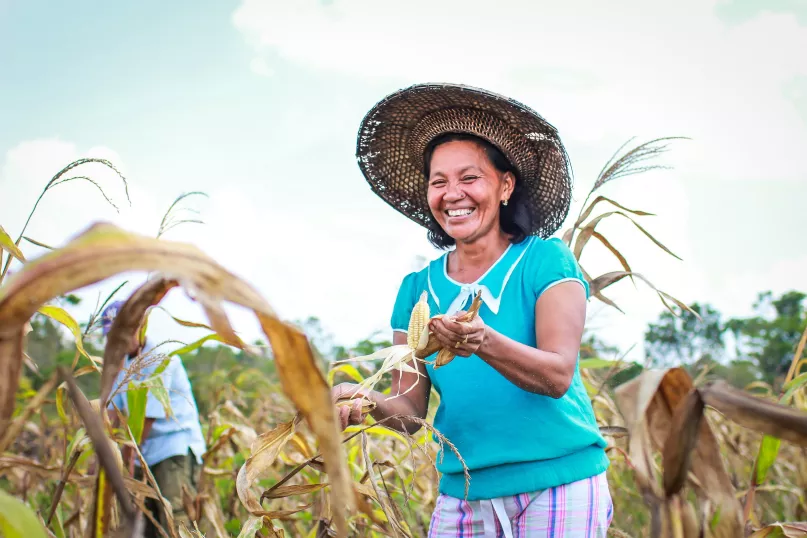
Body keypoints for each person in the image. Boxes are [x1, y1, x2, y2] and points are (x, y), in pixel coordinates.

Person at [333, 83, 613, 536]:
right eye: (438, 182)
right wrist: (366, 401)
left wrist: (482, 340)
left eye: (469, 178)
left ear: (505, 185)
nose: (452, 194)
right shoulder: (416, 291)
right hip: (464, 493)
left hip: (560, 483)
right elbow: (409, 412)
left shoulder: (545, 261)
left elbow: (558, 375)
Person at [101, 299, 207, 537]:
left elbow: (145, 421)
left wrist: (125, 459)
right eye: (112, 336)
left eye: (122, 333)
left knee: (175, 517)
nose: (118, 341)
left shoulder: (159, 357)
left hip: (172, 448)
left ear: (140, 326)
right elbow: (112, 415)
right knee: (143, 520)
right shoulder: (121, 366)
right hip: (142, 452)